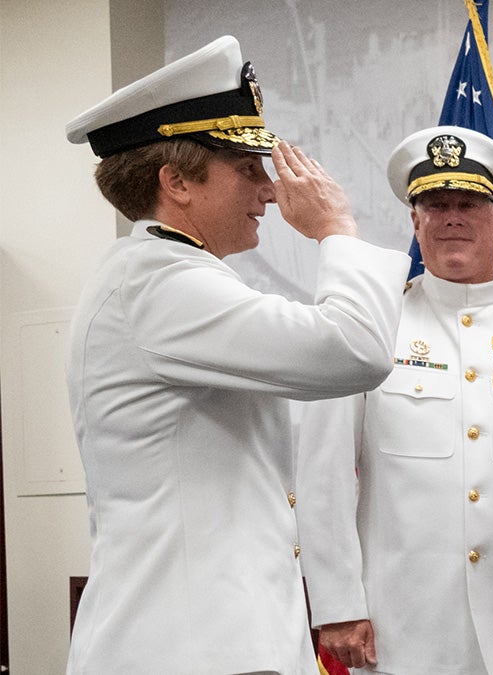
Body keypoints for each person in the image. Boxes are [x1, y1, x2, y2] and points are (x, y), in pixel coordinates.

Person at [63, 36, 410, 674]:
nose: (270, 191)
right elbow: (355, 348)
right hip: (190, 648)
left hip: (212, 641)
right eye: (247, 169)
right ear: (176, 182)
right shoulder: (161, 286)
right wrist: (336, 228)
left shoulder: (169, 276)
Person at [296, 126, 493, 674]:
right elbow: (322, 472)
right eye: (434, 204)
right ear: (414, 221)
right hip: (400, 627)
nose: (451, 218)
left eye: (467, 203)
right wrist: (338, 603)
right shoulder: (369, 326)